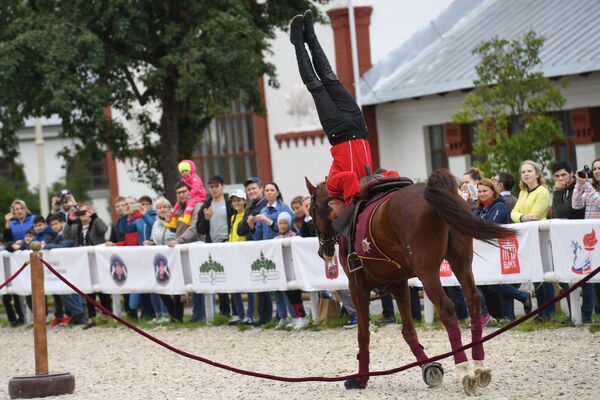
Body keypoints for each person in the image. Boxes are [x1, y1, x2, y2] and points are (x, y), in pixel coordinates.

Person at [290, 10, 397, 219]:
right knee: (331, 79)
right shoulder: (365, 181)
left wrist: (351, 206)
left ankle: (299, 42)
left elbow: (348, 178)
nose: (334, 207)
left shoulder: (332, 183)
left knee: (316, 85)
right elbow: (388, 174)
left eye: (332, 209)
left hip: (338, 131)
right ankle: (311, 37)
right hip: (359, 127)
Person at [476, 178, 532, 322]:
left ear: (493, 191)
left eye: (485, 191)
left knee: (496, 283)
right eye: (479, 191)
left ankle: (519, 303)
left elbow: (490, 226)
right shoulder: (480, 209)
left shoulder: (499, 206)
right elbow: (472, 224)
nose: (481, 194)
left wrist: (477, 225)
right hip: (488, 253)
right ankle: (510, 316)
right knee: (495, 283)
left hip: (503, 251)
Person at [511, 160, 553, 320]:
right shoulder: (522, 192)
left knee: (545, 275)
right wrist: (522, 217)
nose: (526, 174)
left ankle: (549, 313)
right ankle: (541, 312)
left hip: (540, 236)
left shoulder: (542, 191)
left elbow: (536, 214)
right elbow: (514, 212)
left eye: (529, 171)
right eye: (523, 172)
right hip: (527, 237)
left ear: (537, 173)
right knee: (536, 274)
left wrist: (524, 217)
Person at [254, 182, 295, 327]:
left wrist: (269, 222)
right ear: (264, 194)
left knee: (287, 285)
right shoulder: (263, 210)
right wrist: (253, 226)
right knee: (275, 285)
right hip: (268, 252)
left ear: (277, 193)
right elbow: (258, 234)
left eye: (272, 190)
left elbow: (290, 227)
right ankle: (282, 316)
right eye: (267, 190)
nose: (269, 192)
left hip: (283, 251)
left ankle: (295, 316)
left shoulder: (284, 208)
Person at [63, 202, 109, 327]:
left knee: (101, 288)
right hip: (83, 261)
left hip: (97, 259)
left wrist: (94, 216)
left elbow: (104, 229)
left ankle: (106, 313)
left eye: (86, 211)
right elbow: (65, 236)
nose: (84, 214)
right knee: (88, 289)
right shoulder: (76, 226)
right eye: (81, 212)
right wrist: (69, 221)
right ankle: (91, 316)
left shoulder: (95, 223)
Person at [166, 181, 205, 323]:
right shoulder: (179, 209)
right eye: (179, 193)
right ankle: (181, 316)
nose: (182, 195)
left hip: (194, 246)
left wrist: (179, 240)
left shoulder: (197, 205)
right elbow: (176, 229)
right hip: (182, 248)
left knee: (197, 282)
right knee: (182, 282)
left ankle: (200, 315)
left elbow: (194, 227)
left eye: (184, 191)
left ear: (190, 192)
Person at [197, 175, 235, 319]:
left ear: (222, 186)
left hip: (228, 243)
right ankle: (224, 312)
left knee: (232, 277)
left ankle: (237, 311)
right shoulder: (206, 205)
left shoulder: (229, 203)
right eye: (211, 187)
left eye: (216, 186)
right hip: (212, 245)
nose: (214, 189)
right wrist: (206, 219)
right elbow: (200, 229)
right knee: (219, 278)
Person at [144, 197, 183, 322]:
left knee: (177, 287)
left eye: (165, 207)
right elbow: (153, 238)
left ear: (170, 209)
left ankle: (178, 316)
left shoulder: (174, 220)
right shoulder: (155, 223)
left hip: (173, 257)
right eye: (160, 208)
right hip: (160, 259)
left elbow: (179, 235)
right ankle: (172, 313)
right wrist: (150, 242)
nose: (162, 210)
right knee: (161, 286)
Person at [571, 158, 600, 323]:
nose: (596, 171)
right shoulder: (591, 187)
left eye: (599, 168)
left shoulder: (592, 188)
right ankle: (597, 311)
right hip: (592, 237)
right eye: (594, 169)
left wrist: (587, 185)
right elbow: (576, 205)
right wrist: (578, 184)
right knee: (593, 276)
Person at [237, 177, 270, 325]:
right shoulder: (250, 208)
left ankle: (267, 316)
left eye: (253, 188)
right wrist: (248, 223)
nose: (251, 191)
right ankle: (263, 317)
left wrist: (248, 224)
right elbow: (240, 230)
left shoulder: (265, 204)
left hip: (265, 247)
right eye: (248, 189)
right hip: (253, 248)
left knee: (267, 283)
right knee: (259, 284)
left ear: (261, 188)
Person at [227, 189, 255, 325]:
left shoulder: (247, 214)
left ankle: (249, 315)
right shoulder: (232, 218)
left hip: (244, 253)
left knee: (249, 285)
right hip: (232, 254)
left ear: (244, 201)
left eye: (239, 200)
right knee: (234, 286)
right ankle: (240, 314)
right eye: (234, 200)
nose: (236, 203)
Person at [164, 160, 207, 228]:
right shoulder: (183, 179)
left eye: (186, 170)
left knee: (191, 203)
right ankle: (173, 221)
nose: (184, 173)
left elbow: (196, 187)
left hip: (199, 195)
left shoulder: (195, 178)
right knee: (177, 205)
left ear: (190, 170)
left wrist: (189, 194)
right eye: (182, 171)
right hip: (191, 195)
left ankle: (187, 217)